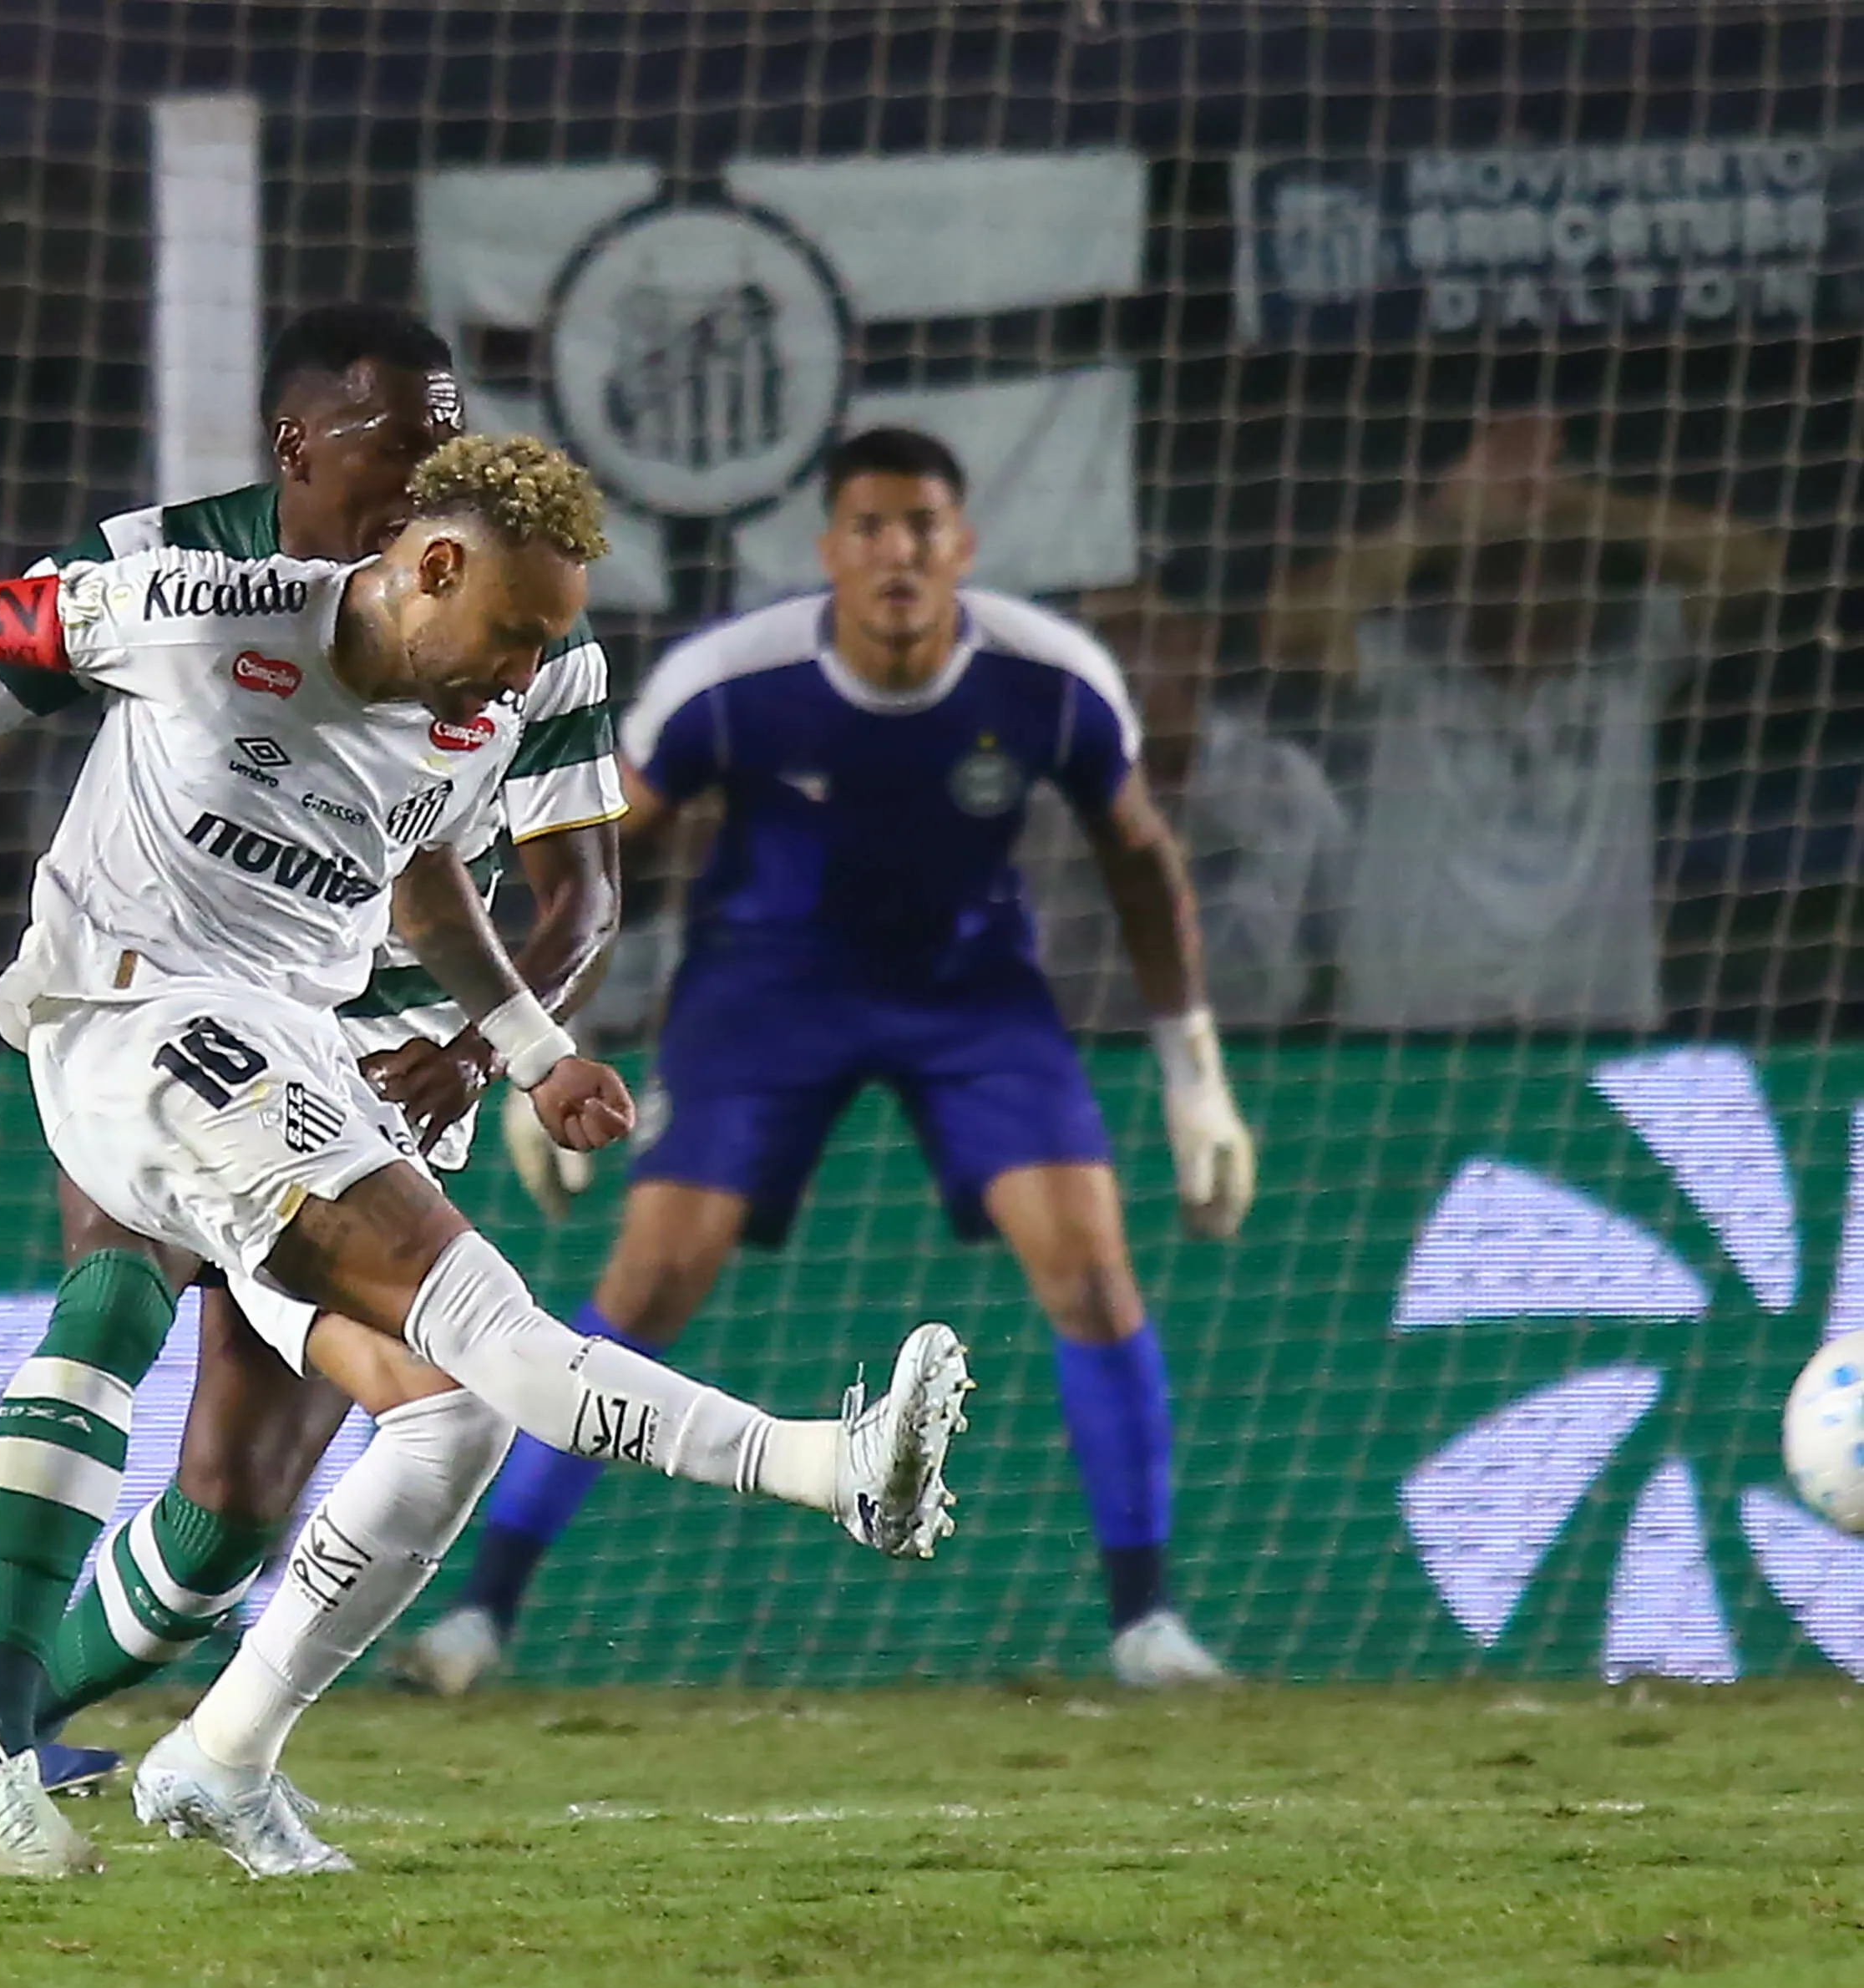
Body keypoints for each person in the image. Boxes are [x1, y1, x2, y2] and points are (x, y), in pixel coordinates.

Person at [0, 434, 972, 1877]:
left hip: (296, 1042)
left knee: (451, 1411)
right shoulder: (202, 613)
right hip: (135, 1021)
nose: (522, 672)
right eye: (512, 633)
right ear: (432, 565)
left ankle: (213, 1758)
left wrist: (537, 1055)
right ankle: (831, 1468)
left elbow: (418, 881)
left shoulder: (470, 713)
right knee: (468, 1317)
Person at [0, 307, 626, 1815]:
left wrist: (485, 1045)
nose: (425, 486)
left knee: (235, 1502)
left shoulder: (522, 626)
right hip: (156, 994)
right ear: (298, 447)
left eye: (446, 451)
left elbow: (578, 894)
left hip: (373, 1056)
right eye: (395, 456)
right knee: (115, 1280)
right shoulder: (178, 561)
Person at [401, 427, 1257, 1701]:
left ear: (960, 546)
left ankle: (1146, 1625)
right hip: (764, 992)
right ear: (828, 552)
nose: (895, 552)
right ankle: (478, 1618)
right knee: (650, 1278)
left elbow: (1137, 861)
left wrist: (1195, 1073)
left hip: (974, 995)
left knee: (1087, 1263)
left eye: (921, 526)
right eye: (868, 527)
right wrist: (534, 1032)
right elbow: (587, 846)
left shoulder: (1049, 680)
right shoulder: (731, 682)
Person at [1264, 412, 1785, 1030]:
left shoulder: (1633, 654)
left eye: (1554, 560)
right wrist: (1441, 519)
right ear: (1458, 569)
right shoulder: (1398, 659)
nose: (1529, 586)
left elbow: (1755, 570)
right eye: (1503, 560)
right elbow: (1283, 625)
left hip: (1595, 1037)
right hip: (1405, 1045)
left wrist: (1569, 503)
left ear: (1594, 565)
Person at [1021, 582, 1350, 1029]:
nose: (1131, 658)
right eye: (1105, 635)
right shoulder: (1038, 791)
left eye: (1150, 631)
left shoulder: (1284, 783)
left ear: (1201, 642)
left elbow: (1335, 965)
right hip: (1096, 1062)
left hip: (1260, 1065)